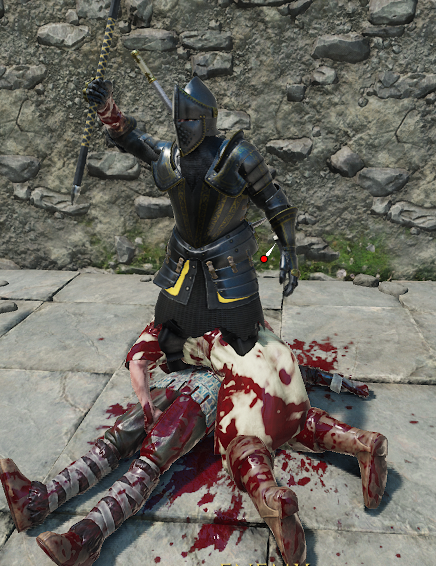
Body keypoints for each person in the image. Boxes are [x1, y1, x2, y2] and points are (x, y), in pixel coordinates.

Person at [40, 74, 388, 565]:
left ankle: (265, 486)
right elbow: (136, 142)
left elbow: (277, 204)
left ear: (206, 119)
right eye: (178, 120)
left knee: (243, 385)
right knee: (199, 353)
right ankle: (338, 452)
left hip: (229, 281)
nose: (182, 128)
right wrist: (110, 116)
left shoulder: (238, 156)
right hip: (184, 270)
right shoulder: (172, 156)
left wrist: (288, 253)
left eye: (189, 120)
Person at [0, 355, 377, 566]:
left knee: (150, 461)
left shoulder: (261, 350)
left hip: (205, 400)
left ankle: (86, 537)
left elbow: (300, 371)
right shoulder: (209, 328)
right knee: (114, 441)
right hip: (173, 387)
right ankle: (38, 500)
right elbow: (169, 352)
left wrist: (341, 383)